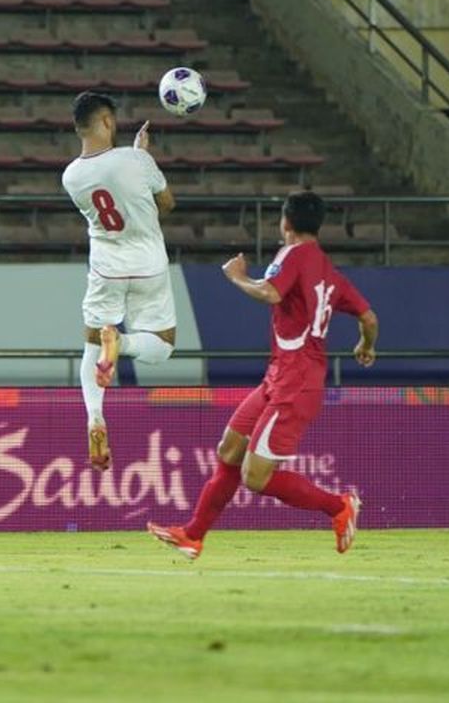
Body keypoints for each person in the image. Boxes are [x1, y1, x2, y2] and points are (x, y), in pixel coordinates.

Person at [148, 191, 378, 557]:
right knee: (229, 450)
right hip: (282, 377)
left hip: (295, 382)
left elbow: (270, 293)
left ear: (285, 222)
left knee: (255, 477)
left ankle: (339, 506)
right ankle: (193, 535)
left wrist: (238, 277)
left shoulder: (292, 254)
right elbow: (369, 318)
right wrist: (366, 346)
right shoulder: (331, 274)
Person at [62, 91, 177, 472]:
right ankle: (122, 343)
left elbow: (110, 183)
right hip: (148, 265)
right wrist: (143, 155)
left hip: (106, 268)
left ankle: (95, 416)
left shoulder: (71, 176)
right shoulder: (136, 160)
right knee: (162, 347)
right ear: (108, 121)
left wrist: (135, 157)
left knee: (91, 345)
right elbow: (166, 204)